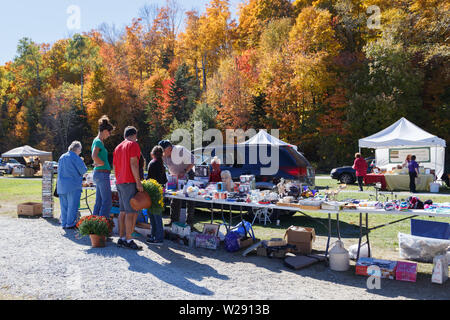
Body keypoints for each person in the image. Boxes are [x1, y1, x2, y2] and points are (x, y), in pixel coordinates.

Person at [113, 126, 144, 250]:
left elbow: (114, 167)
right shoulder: (133, 145)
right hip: (129, 181)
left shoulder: (117, 147)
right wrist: (138, 182)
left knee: (122, 211)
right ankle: (129, 239)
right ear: (134, 134)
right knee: (131, 212)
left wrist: (118, 178)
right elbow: (133, 164)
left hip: (120, 181)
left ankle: (121, 238)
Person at [158, 140, 196, 229]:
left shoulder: (180, 150)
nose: (162, 153)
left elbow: (193, 160)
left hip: (187, 174)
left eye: (163, 151)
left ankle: (189, 223)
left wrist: (185, 171)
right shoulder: (162, 154)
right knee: (174, 198)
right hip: (175, 177)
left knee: (190, 198)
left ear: (170, 149)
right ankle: (173, 221)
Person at [57, 141, 87, 229]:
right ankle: (70, 224)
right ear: (77, 149)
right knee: (72, 206)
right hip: (73, 185)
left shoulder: (62, 157)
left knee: (64, 206)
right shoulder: (75, 157)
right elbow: (83, 170)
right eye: (80, 150)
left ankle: (64, 223)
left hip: (62, 186)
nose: (80, 152)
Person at [91, 115, 114, 220]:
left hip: (99, 174)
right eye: (109, 132)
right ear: (105, 130)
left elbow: (95, 156)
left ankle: (94, 225)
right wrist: (100, 163)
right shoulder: (98, 142)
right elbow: (94, 155)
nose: (109, 135)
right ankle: (102, 228)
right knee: (107, 202)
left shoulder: (97, 141)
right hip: (102, 174)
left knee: (99, 202)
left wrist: (98, 163)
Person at [146, 145, 168, 245]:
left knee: (154, 215)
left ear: (152, 153)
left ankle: (158, 237)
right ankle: (154, 235)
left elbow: (149, 179)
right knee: (156, 214)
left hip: (153, 191)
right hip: (160, 190)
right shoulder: (161, 164)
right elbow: (165, 180)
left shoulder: (152, 163)